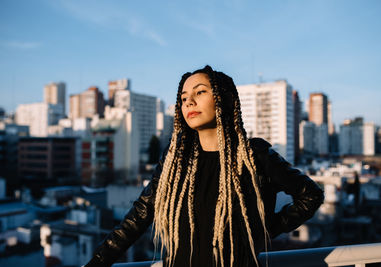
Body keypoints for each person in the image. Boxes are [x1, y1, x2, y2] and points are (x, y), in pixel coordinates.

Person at [84, 65, 324, 267]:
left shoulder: (253, 155)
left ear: (224, 99)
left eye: (200, 92)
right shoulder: (174, 162)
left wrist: (262, 230)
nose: (189, 101)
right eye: (184, 97)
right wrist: (97, 262)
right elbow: (138, 217)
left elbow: (310, 195)